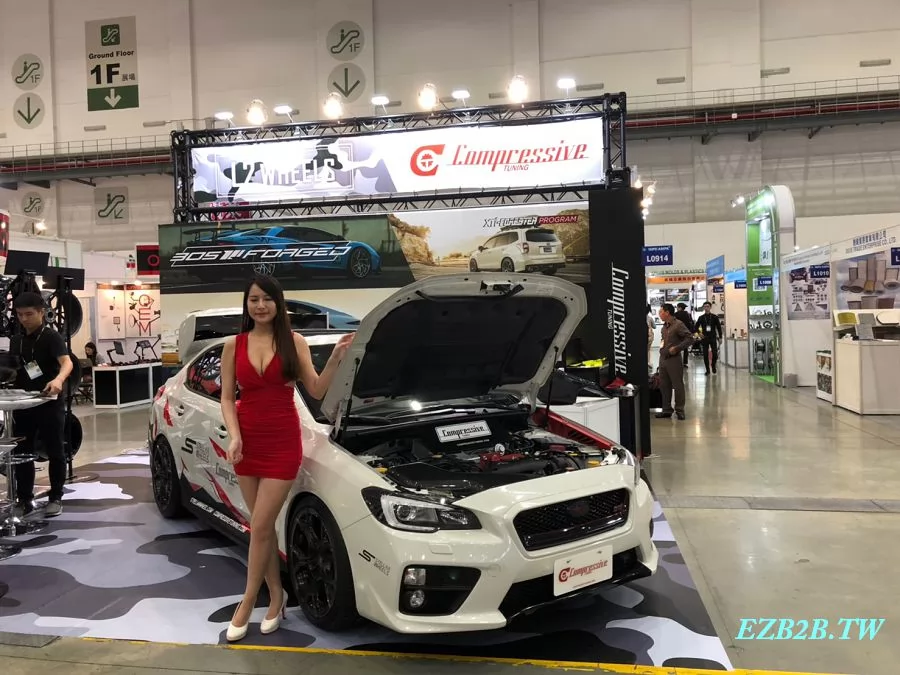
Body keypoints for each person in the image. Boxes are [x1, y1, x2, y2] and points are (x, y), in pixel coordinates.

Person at [219, 275, 353, 642]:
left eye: (267, 299)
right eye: (253, 299)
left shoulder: (294, 342)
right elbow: (227, 397)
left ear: (279, 303)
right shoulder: (233, 345)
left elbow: (317, 388)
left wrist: (336, 358)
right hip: (247, 443)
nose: (260, 306)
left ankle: (248, 600)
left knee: (261, 525)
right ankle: (277, 596)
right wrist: (234, 435)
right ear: (246, 305)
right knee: (261, 527)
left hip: (282, 442)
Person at [10, 292, 74, 517]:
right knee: (22, 452)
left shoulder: (51, 337)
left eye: (29, 314)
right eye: (20, 315)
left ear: (41, 312)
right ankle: (24, 499)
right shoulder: (16, 340)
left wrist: (58, 380)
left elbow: (67, 363)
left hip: (49, 402)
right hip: (23, 404)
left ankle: (56, 497)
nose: (24, 319)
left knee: (55, 449)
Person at [656, 303, 694, 420]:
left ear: (667, 312)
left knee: (678, 385)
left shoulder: (678, 324)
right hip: (663, 359)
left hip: (674, 360)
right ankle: (666, 409)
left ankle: (680, 410)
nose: (659, 314)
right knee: (664, 385)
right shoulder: (664, 327)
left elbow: (690, 338)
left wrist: (677, 348)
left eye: (661, 312)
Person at [694, 301, 723, 375]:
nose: (706, 308)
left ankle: (713, 365)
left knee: (715, 353)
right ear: (703, 308)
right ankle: (707, 370)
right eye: (705, 307)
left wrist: (720, 337)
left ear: (710, 307)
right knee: (705, 354)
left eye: (708, 306)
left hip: (713, 337)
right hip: (704, 338)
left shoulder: (714, 317)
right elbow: (695, 327)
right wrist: (699, 333)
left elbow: (719, 328)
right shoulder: (701, 317)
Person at [646, 304, 656, 370]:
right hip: (649, 336)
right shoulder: (650, 318)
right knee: (648, 350)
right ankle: (648, 362)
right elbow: (654, 326)